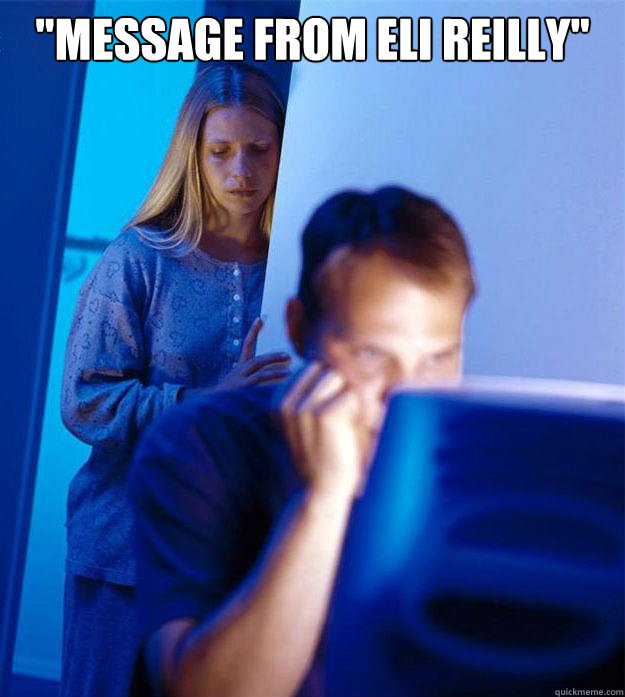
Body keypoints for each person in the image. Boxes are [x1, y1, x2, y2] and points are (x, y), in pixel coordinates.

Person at [129, 186, 476, 697]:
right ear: (299, 328)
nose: (404, 397)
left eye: (436, 359)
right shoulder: (195, 445)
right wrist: (323, 501)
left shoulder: (476, 467)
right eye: (371, 356)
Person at [59, 63, 290, 697]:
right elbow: (84, 401)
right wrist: (203, 401)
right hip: (124, 551)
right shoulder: (138, 260)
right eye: (220, 151)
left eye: (259, 149)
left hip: (233, 561)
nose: (241, 171)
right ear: (193, 154)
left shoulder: (291, 266)